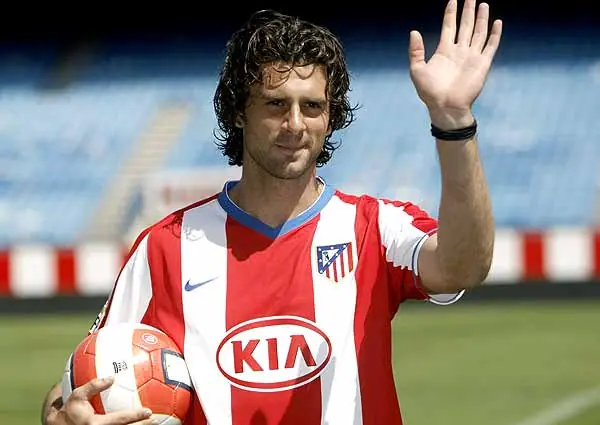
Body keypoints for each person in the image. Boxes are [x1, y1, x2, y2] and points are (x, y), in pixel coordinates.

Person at [42, 0, 502, 424]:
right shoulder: (165, 247)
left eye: (313, 106)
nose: (295, 124)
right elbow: (77, 383)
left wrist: (453, 120)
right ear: (239, 112)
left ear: (330, 116)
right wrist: (63, 418)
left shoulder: (374, 228)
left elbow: (463, 266)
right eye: (276, 104)